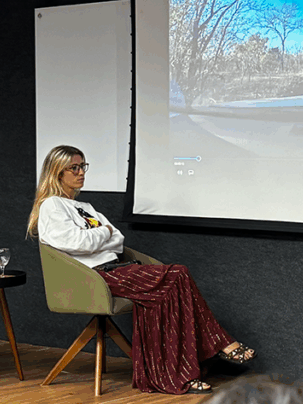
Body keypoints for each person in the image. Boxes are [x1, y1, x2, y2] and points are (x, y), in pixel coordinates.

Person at [26, 145, 256, 395]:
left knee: (167, 293)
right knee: (177, 273)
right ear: (57, 172)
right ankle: (218, 344)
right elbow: (78, 243)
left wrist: (100, 236)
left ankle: (180, 373)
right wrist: (104, 232)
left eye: (83, 166)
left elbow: (118, 240)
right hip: (97, 276)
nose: (81, 172)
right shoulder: (52, 206)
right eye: (74, 167)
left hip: (117, 267)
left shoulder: (87, 208)